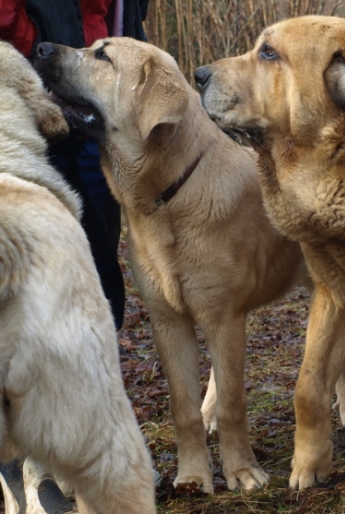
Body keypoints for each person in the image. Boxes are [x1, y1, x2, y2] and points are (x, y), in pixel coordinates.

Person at [0, 2, 149, 512]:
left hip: (89, 101)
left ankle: (81, 441)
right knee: (24, 280)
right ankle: (23, 464)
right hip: (23, 90)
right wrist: (27, 41)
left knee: (98, 266)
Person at [0, 0, 149, 331]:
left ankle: (102, 347)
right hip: (34, 91)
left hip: (97, 98)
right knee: (38, 240)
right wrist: (30, 40)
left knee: (100, 238)